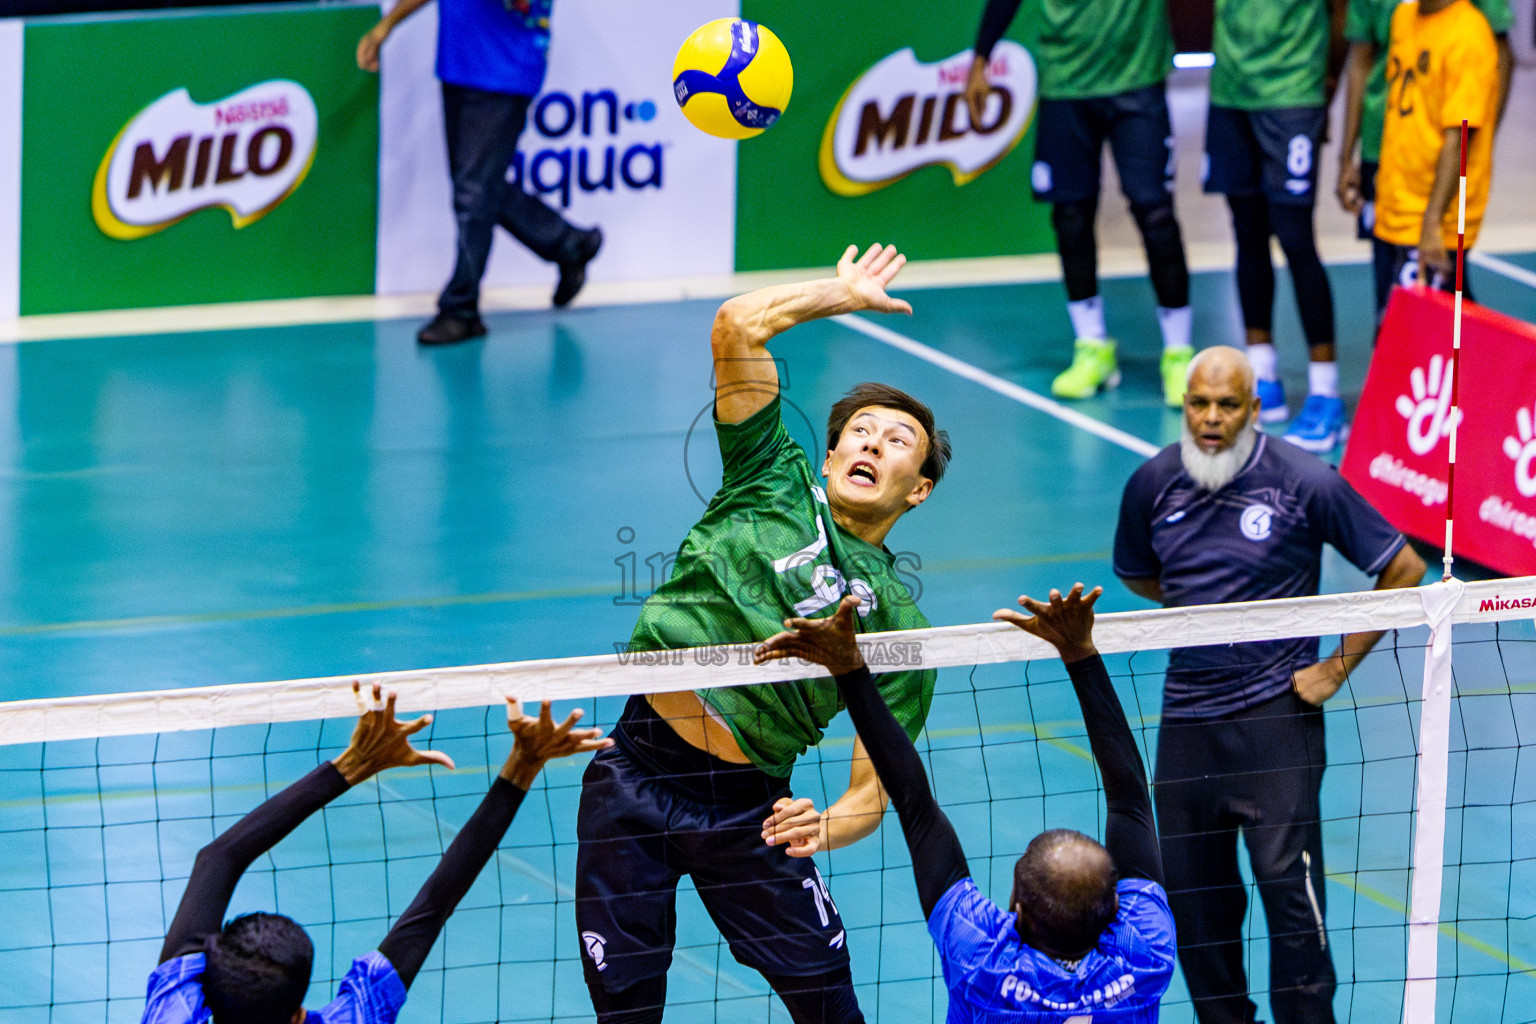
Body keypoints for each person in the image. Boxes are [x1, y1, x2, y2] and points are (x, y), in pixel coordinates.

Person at [575, 243, 950, 1024]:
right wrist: (837, 293)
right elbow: (737, 325)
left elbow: (871, 791)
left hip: (751, 814)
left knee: (830, 1007)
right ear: (832, 450)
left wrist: (827, 825)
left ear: (917, 491)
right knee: (624, 1007)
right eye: (863, 431)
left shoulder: (901, 624)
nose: (875, 443)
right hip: (632, 771)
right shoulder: (767, 475)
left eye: (898, 441)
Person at [1112, 346, 1426, 1024]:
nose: (1212, 419)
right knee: (1195, 900)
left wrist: (1335, 668)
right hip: (1187, 720)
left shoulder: (1304, 480)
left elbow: (1403, 568)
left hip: (1274, 719)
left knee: (1290, 892)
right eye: (1200, 404)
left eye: (1229, 405)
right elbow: (1142, 575)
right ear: (1184, 405)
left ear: (1254, 409)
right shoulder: (1152, 484)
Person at [755, 585, 1176, 1021]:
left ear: (1017, 908)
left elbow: (915, 803)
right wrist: (1081, 651)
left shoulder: (983, 961)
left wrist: (847, 667)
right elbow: (1130, 802)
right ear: (1114, 909)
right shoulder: (1146, 953)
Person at [142, 683, 610, 1024]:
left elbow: (217, 860)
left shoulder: (173, 1015)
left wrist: (348, 768)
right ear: (298, 1013)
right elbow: (432, 906)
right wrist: (523, 765)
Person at [966, 0, 1194, 406]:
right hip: (1066, 81)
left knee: (1156, 214)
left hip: (1137, 78)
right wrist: (981, 57)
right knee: (1070, 216)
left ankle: (1178, 354)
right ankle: (1092, 347)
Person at [358, 0, 604, 346]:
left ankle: (461, 309)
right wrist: (388, 25)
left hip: (503, 70)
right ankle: (569, 243)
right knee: (477, 189)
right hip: (458, 64)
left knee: (474, 192)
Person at [1205, 0, 1350, 452]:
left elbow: (1340, 11)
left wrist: (1327, 82)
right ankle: (1262, 375)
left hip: (1291, 92)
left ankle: (1325, 391)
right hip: (1230, 94)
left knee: (1295, 239)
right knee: (1247, 234)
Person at [1335, 0, 1511, 321]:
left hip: (1434, 213)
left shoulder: (1469, 33)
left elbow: (1458, 138)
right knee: (1396, 325)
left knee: (1426, 338)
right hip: (1394, 202)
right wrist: (1351, 160)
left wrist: (1432, 223)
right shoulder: (1404, 17)